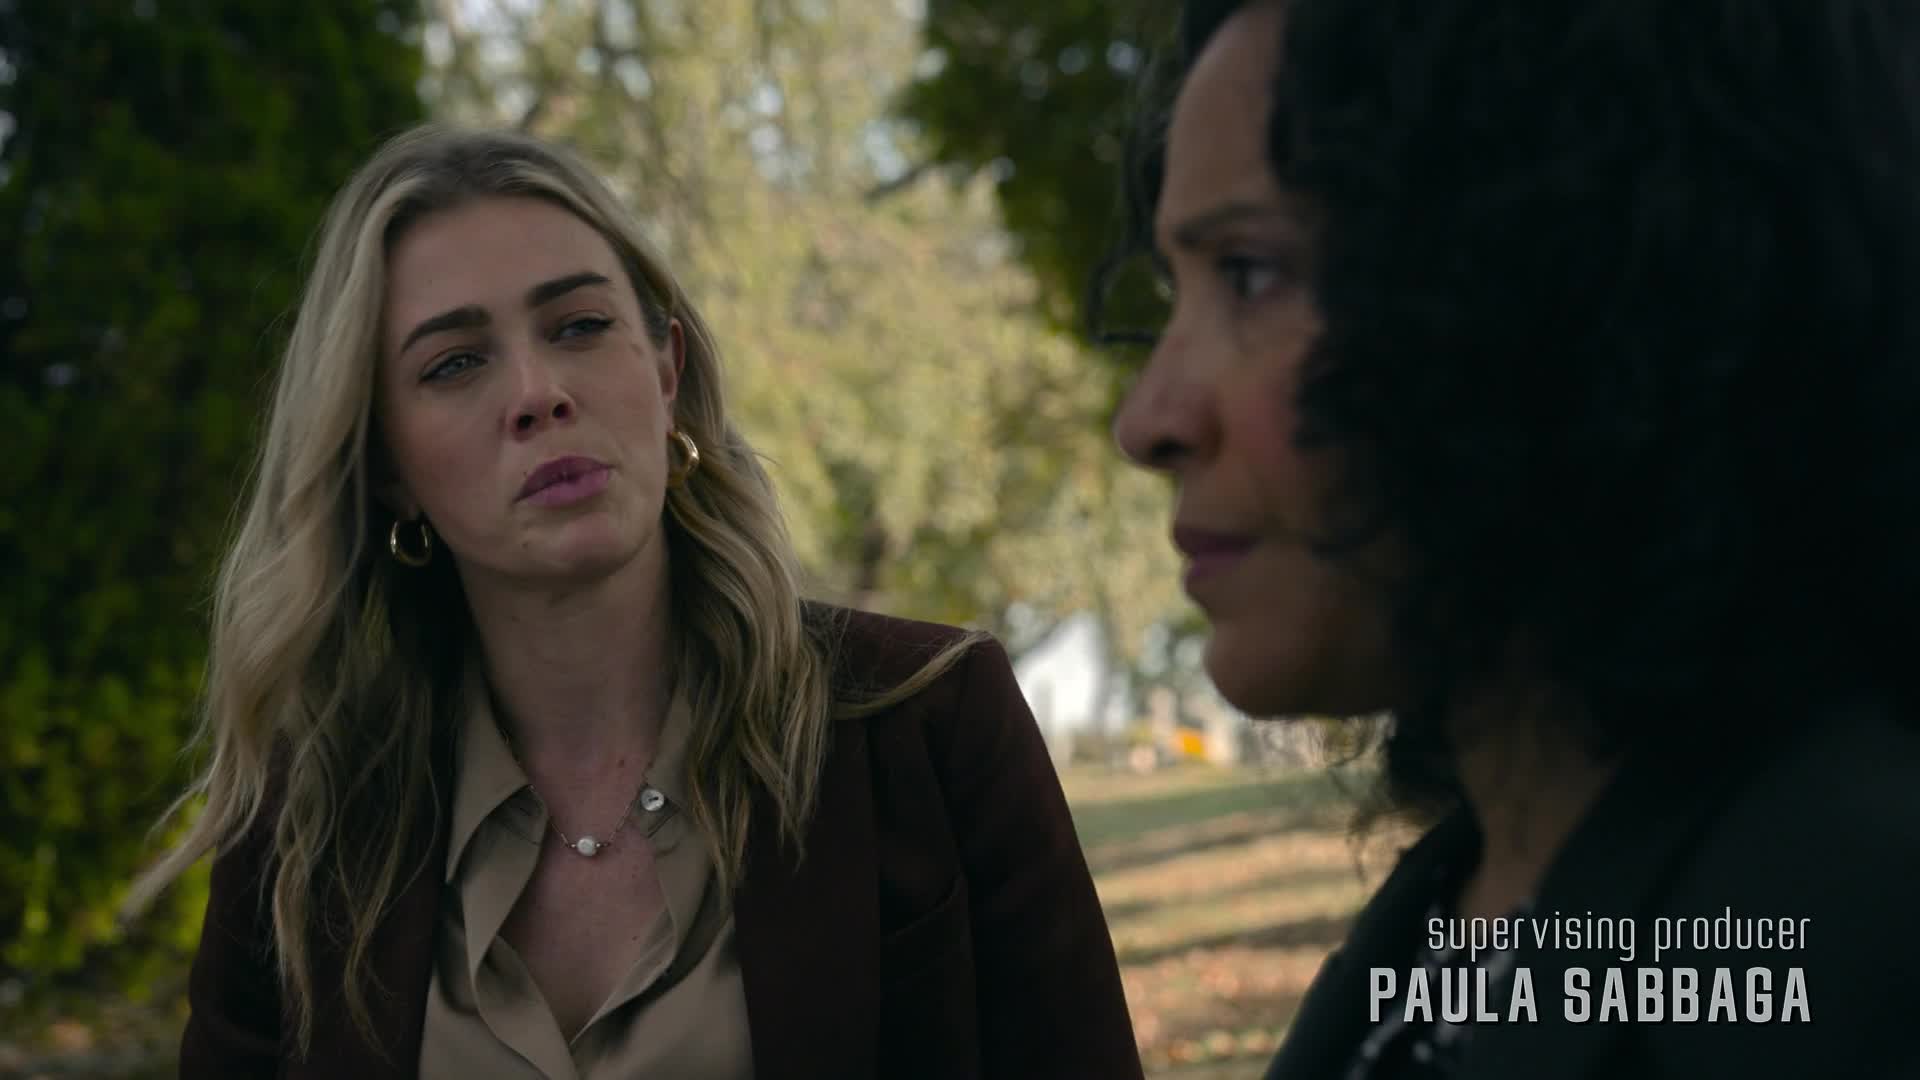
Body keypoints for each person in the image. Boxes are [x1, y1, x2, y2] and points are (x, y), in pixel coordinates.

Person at [124, 123, 1143, 1080]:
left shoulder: (926, 722)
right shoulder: (309, 819)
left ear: (665, 374)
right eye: (455, 363)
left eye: (580, 325)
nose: (538, 392)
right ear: (387, 464)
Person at [1107, 0, 1920, 1076]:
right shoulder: (1459, 906)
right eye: (1177, 291)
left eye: (1251, 273)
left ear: (1582, 278)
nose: (1148, 419)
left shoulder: (1855, 956)